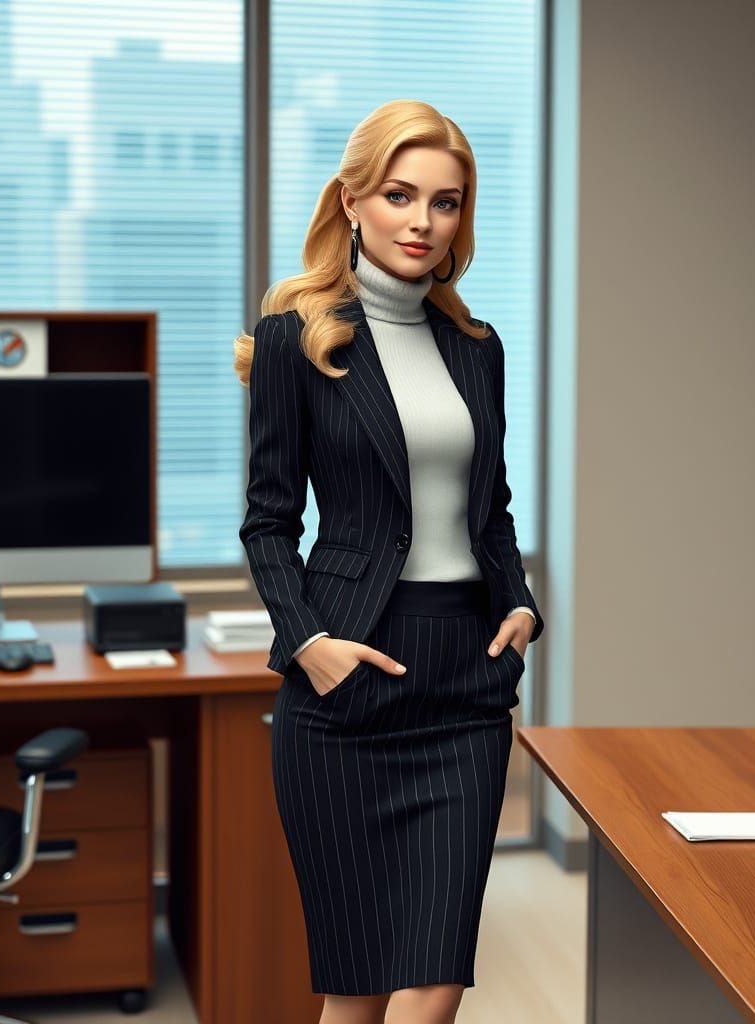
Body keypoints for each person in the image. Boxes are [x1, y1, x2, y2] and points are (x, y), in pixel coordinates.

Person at [234, 98, 545, 1024]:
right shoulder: (301, 341)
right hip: (348, 676)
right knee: (358, 986)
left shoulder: (476, 348)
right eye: (401, 195)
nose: (422, 221)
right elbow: (266, 521)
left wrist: (520, 602)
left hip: (465, 679)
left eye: (445, 203)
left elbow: (488, 508)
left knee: (436, 977)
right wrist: (309, 643)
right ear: (354, 200)